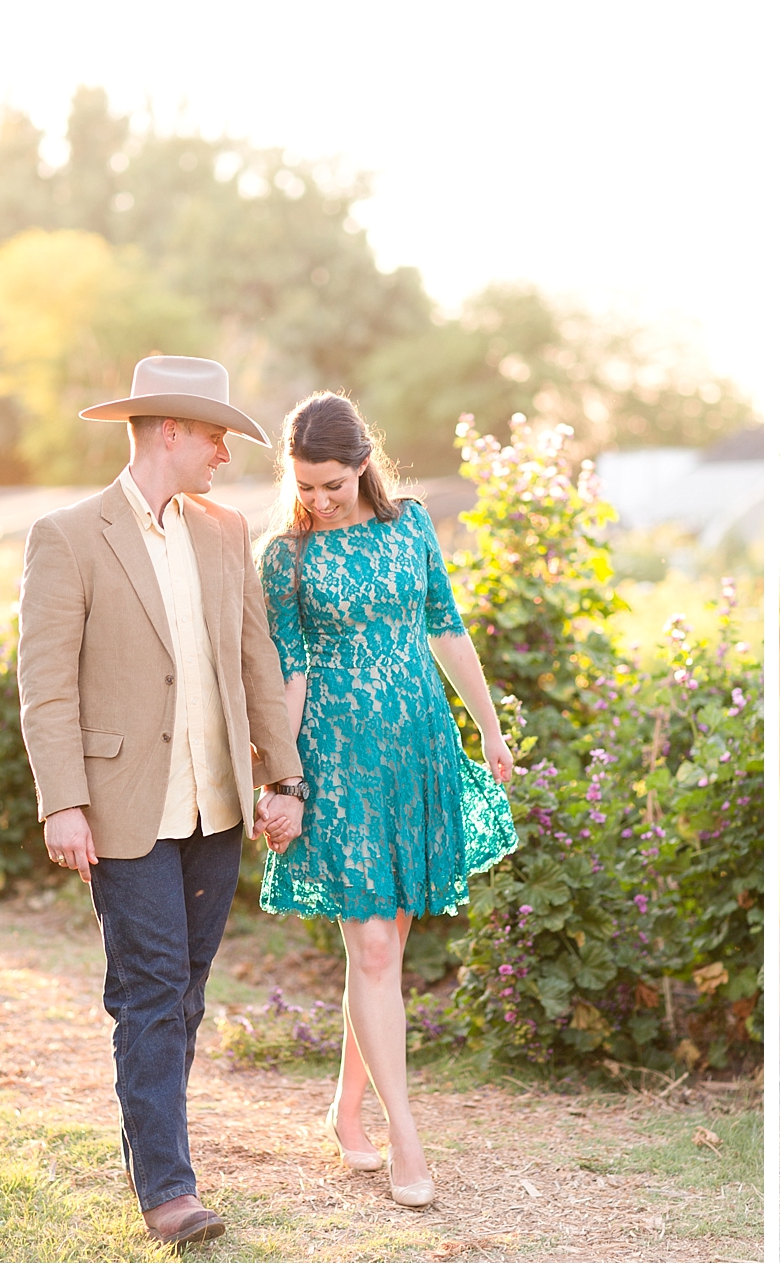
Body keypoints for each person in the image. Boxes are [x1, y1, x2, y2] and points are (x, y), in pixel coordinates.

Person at [18, 355, 305, 1246]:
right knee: (148, 990)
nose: (225, 452)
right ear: (170, 432)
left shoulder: (224, 532)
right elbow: (45, 687)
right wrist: (63, 802)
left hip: (216, 807)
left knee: (184, 993)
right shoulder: (68, 536)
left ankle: (154, 1155)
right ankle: (169, 1191)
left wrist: (282, 776)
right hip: (120, 808)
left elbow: (256, 661)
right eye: (215, 434)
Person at [254, 392, 519, 1209]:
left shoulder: (411, 527)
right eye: (305, 486)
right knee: (372, 949)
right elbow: (289, 675)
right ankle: (406, 1137)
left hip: (417, 753)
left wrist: (489, 729)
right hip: (337, 765)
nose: (318, 500)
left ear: (362, 464)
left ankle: (346, 1111)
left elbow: (447, 628)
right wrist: (282, 781)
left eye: (332, 484)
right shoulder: (285, 557)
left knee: (384, 951)